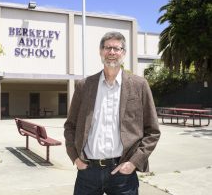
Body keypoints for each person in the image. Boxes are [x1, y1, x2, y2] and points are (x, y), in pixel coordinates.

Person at [64, 31, 160, 195]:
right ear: (101, 51)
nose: (112, 52)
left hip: (123, 173)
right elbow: (70, 126)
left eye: (117, 48)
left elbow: (152, 131)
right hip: (88, 172)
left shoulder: (139, 85)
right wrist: (75, 158)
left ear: (123, 53)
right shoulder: (84, 85)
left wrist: (133, 163)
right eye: (107, 48)